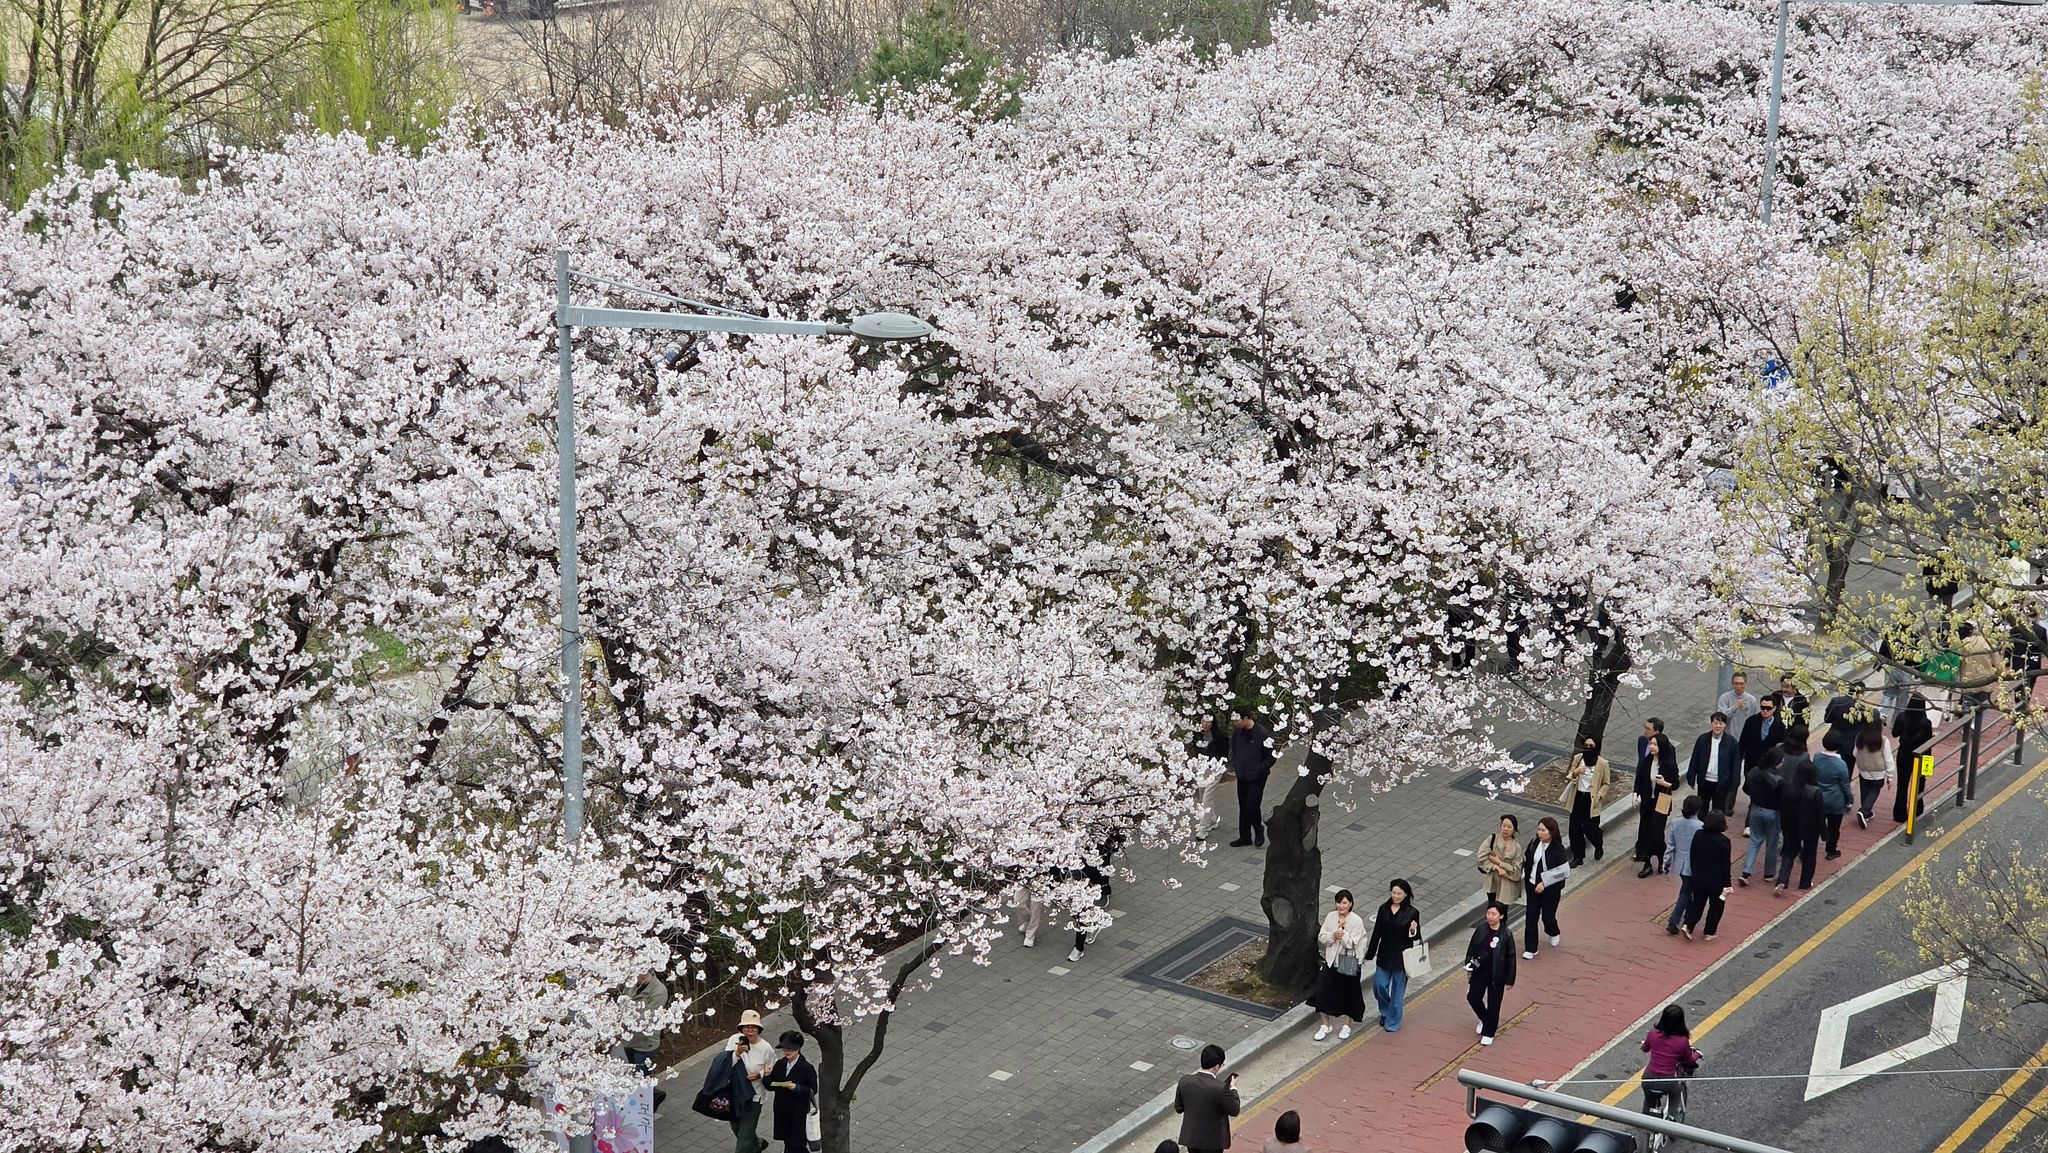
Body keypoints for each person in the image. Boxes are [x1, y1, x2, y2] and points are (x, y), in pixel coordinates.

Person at [1201, 711, 1278, 848]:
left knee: (1252, 805)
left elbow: (1271, 756)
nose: (1235, 723)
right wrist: (1236, 763)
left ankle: (1258, 828)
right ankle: (1245, 837)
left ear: (1246, 718)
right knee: (1243, 806)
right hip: (1242, 774)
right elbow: (1234, 748)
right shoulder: (1238, 732)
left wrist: (1260, 768)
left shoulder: (1261, 733)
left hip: (1257, 776)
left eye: (1237, 720)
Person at [1364, 878, 1422, 1033]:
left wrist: (1412, 930)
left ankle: (1393, 1019)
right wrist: (1370, 953)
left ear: (1406, 895)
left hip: (1402, 957)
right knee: (1379, 986)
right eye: (1394, 893)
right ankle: (1386, 1011)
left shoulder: (1412, 913)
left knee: (1397, 992)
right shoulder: (1384, 909)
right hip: (1384, 954)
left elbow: (1416, 938)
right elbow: (1377, 932)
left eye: (1399, 893)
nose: (1396, 896)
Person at [1309, 889, 1368, 1041]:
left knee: (1349, 994)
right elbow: (1322, 937)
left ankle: (1347, 1025)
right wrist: (1333, 935)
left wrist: (1342, 930)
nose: (1341, 906)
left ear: (1350, 904)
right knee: (1321, 992)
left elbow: (1352, 943)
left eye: (1344, 903)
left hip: (1348, 963)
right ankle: (1325, 1024)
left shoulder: (1356, 921)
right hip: (1331, 962)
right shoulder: (1330, 916)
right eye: (1338, 902)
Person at [1463, 901, 1517, 1046]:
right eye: (1488, 913)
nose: (1490, 917)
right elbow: (1471, 948)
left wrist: (1510, 979)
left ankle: (1489, 1032)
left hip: (1496, 974)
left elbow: (1511, 956)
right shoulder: (1481, 928)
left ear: (1501, 916)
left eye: (1494, 914)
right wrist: (1468, 963)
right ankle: (1485, 1018)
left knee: (1494, 1003)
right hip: (1479, 971)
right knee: (1473, 997)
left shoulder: (1506, 934)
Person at [1067, 831, 1124, 962]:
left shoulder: (1103, 833)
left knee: (1084, 910)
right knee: (1076, 909)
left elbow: (1117, 842)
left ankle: (1079, 947)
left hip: (1094, 874)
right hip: (1077, 873)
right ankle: (1092, 924)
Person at [1633, 722, 1680, 877]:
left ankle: (1661, 857)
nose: (1652, 747)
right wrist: (1636, 793)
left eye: (1655, 744)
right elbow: (1640, 779)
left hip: (1662, 801)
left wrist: (1665, 783)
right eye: (1651, 744)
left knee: (1657, 833)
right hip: (1648, 801)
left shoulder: (1669, 764)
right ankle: (1647, 863)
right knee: (1645, 831)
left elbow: (1676, 784)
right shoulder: (1647, 762)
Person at [1173, 1044, 1240, 1153]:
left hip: (1192, 1138)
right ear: (1216, 1066)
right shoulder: (1221, 1088)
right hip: (1213, 1143)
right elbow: (1234, 1110)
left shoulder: (1185, 1081)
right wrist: (1232, 1088)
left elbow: (1178, 1108)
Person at [724, 1009, 774, 1153]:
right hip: (734, 1093)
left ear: (758, 1029)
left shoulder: (766, 1048)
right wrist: (738, 1052)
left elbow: (771, 1068)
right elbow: (726, 1063)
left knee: (744, 1138)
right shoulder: (734, 1040)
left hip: (754, 1097)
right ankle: (757, 1144)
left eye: (753, 1028)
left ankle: (748, 1147)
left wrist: (759, 1074)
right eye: (746, 1028)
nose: (750, 1031)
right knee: (736, 1127)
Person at [1641, 1005, 1704, 1118]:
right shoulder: (1682, 1041)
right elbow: (1689, 1061)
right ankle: (1672, 1118)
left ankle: (1645, 1118)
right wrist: (1697, 1054)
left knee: (1649, 1099)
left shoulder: (1653, 1034)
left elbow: (1645, 1048)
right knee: (1676, 1091)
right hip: (1668, 1082)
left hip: (1648, 1078)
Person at [1556, 736, 1610, 866]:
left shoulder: (1602, 763)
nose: (1588, 749)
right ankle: (1578, 857)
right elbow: (1570, 775)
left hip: (1591, 800)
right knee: (1574, 829)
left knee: (1590, 829)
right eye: (1586, 745)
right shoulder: (1578, 758)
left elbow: (1606, 783)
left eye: (1591, 746)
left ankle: (1598, 844)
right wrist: (1575, 772)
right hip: (1577, 797)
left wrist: (1599, 796)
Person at [1522, 817, 1571, 959]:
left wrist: (1545, 882)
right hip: (1532, 887)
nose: (1540, 833)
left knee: (1547, 917)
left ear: (1551, 832)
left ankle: (1553, 931)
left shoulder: (1558, 849)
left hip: (1550, 891)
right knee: (1531, 917)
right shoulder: (1534, 843)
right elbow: (1527, 859)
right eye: (1538, 829)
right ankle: (1531, 948)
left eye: (1543, 830)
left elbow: (1564, 871)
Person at [1737, 695, 1785, 836]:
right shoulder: (1751, 722)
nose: (1764, 711)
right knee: (1754, 794)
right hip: (1752, 764)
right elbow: (1742, 743)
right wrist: (1738, 762)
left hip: (1770, 767)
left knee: (1765, 793)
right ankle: (1749, 824)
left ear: (1774, 709)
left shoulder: (1779, 725)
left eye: (1768, 708)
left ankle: (1758, 821)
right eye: (1762, 707)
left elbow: (1781, 747)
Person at [1775, 754, 1824, 894]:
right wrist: (1824, 832)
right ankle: (1805, 882)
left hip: (1790, 826)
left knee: (1788, 853)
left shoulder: (1788, 788)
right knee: (1809, 856)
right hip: (1810, 829)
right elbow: (1820, 814)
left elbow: (1783, 808)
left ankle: (1782, 881)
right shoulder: (1815, 792)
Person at [1682, 811, 1733, 940]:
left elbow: (1692, 854)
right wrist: (1727, 884)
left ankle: (1688, 925)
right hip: (1716, 880)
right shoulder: (1724, 842)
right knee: (1717, 905)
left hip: (1698, 876)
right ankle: (1710, 931)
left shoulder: (1698, 835)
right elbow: (1725, 865)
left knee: (1697, 902)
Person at [1738, 745, 1784, 886]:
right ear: (1777, 762)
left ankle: (1746, 872)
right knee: (1771, 842)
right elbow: (1783, 799)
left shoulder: (1754, 771)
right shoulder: (1778, 779)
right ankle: (1769, 873)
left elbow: (1746, 788)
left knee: (1754, 840)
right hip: (1773, 813)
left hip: (1756, 809)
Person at [764, 1031, 817, 1153]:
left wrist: (797, 1088)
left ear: (798, 1049)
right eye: (785, 1048)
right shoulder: (780, 1064)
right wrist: (767, 1076)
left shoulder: (806, 1068)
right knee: (788, 1143)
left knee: (796, 1145)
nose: (787, 1051)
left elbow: (813, 1090)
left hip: (799, 1113)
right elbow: (771, 1086)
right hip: (782, 1111)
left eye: (791, 1049)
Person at [1891, 692, 1935, 824]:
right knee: (1919, 785)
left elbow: (1894, 734)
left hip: (1904, 755)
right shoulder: (1926, 723)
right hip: (1920, 757)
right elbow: (1928, 744)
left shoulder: (1902, 717)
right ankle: (1917, 809)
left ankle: (1899, 813)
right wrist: (1928, 764)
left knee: (1902, 786)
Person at [1688, 712, 1742, 817]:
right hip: (1704, 781)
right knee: (1702, 809)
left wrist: (1734, 784)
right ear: (1711, 723)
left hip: (1721, 783)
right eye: (1715, 723)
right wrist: (1691, 777)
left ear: (1725, 725)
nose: (1718, 726)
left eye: (1720, 724)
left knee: (1718, 810)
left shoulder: (1732, 743)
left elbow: (1736, 765)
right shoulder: (1702, 739)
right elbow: (1695, 758)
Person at [1663, 795, 1704, 935]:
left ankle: (1684, 917)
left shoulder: (1675, 823)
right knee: (1686, 893)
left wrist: (1666, 861)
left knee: (1686, 890)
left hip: (1680, 863)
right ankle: (1674, 920)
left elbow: (1671, 844)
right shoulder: (1700, 826)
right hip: (1695, 865)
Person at [1814, 726, 1853, 860]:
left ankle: (1808, 850)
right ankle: (1831, 851)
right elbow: (1845, 785)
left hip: (1818, 798)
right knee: (1834, 827)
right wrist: (1850, 800)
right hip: (1835, 801)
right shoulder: (1841, 764)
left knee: (1815, 825)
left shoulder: (1817, 757)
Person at [1474, 814, 1525, 913]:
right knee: (1492, 908)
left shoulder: (1517, 847)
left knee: (1502, 911)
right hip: (1492, 881)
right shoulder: (1492, 839)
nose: (1505, 829)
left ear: (1514, 829)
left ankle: (1501, 927)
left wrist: (1500, 863)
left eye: (1509, 827)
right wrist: (1496, 867)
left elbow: (1517, 870)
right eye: (1503, 825)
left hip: (1507, 883)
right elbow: (1481, 857)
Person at [1854, 723, 1894, 829]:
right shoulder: (1883, 740)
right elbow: (1888, 759)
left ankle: (1867, 813)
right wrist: (1890, 776)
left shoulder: (1860, 737)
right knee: (1874, 791)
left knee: (1864, 790)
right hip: (1877, 772)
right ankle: (1864, 811)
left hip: (1862, 769)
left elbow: (1855, 752)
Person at [1718, 674, 1759, 750]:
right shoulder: (1725, 698)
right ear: (1732, 684)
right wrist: (1735, 707)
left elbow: (1753, 719)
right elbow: (1720, 717)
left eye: (1741, 683)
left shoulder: (1751, 700)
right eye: (1736, 683)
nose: (1739, 686)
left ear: (1745, 684)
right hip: (1728, 737)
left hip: (1744, 738)